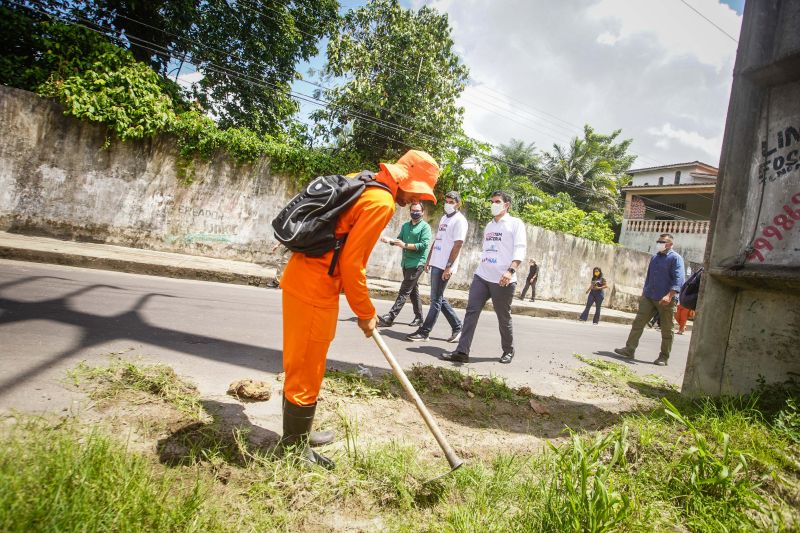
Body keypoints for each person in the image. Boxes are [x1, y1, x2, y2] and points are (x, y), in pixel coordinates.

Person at [279, 150, 439, 469]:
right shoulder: (380, 203)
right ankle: (293, 449)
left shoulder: (362, 178)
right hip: (315, 288)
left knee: (303, 362)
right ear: (406, 179)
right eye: (418, 191)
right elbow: (353, 264)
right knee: (307, 365)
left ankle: (299, 433)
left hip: (304, 278)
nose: (415, 200)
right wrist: (366, 313)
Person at [443, 191, 527, 364]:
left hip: (503, 279)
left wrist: (510, 271)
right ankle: (462, 351)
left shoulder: (514, 223)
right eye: (492, 201)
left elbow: (520, 249)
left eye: (497, 201)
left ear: (506, 205)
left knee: (503, 316)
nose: (493, 204)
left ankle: (508, 350)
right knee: (471, 312)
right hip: (482, 276)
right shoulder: (489, 226)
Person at [614, 233, 685, 366]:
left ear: (670, 244)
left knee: (667, 329)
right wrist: (644, 292)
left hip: (666, 299)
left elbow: (679, 279)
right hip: (649, 297)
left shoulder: (675, 258)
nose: (659, 243)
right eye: (658, 241)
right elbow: (649, 277)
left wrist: (669, 295)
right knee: (638, 323)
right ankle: (629, 349)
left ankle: (664, 357)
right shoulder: (655, 258)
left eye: (662, 241)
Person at [406, 191, 467, 343]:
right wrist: (429, 259)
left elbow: (458, 244)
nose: (448, 203)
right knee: (438, 298)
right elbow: (437, 240)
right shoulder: (444, 218)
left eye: (452, 201)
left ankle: (424, 332)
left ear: (458, 203)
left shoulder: (460, 221)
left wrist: (449, 266)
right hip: (436, 262)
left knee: (436, 300)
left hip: (445, 265)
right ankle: (458, 327)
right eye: (446, 200)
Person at [377, 202, 432, 327]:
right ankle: (419, 318)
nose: (415, 213)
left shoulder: (425, 227)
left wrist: (405, 245)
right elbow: (399, 240)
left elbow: (423, 245)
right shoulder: (406, 226)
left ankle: (390, 317)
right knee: (413, 291)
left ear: (422, 212)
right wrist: (389, 240)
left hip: (417, 263)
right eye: (413, 210)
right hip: (406, 263)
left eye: (418, 211)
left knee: (404, 290)